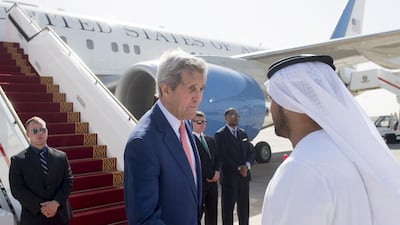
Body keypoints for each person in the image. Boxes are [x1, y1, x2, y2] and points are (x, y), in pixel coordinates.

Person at [261, 54, 400, 225]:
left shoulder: (301, 168)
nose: (271, 108)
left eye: (273, 98)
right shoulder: (348, 154)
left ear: (291, 102)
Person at [123, 48, 208, 225]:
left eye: (201, 89)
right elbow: (143, 220)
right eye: (192, 88)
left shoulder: (183, 122)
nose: (198, 97)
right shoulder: (143, 143)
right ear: (166, 88)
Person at [9, 116, 73, 225]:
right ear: (27, 134)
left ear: (47, 132)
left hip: (60, 216)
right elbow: (17, 189)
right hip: (34, 218)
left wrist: (56, 202)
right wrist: (41, 207)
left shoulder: (61, 156)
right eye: (34, 131)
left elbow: (68, 181)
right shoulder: (18, 160)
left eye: (42, 130)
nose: (39, 133)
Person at [215, 107, 253, 225]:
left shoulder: (243, 133)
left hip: (244, 177)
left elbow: (250, 152)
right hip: (230, 179)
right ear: (226, 118)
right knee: (228, 210)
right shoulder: (220, 134)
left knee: (244, 209)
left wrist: (246, 165)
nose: (235, 117)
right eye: (232, 115)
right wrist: (238, 168)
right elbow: (222, 156)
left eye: (237, 115)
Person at [192, 111, 220, 225]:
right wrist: (210, 174)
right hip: (200, 184)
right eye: (199, 122)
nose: (202, 124)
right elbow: (194, 162)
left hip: (213, 185)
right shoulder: (190, 140)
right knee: (197, 214)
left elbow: (217, 158)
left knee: (212, 214)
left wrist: (217, 172)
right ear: (192, 123)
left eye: (204, 122)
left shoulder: (210, 140)